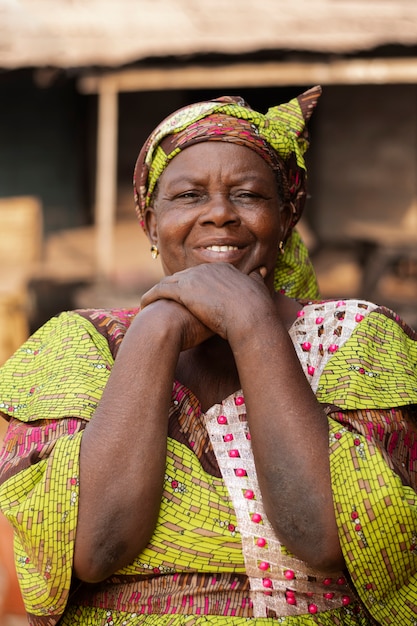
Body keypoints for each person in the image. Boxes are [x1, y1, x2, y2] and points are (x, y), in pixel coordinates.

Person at [0, 86, 416, 626]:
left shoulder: (357, 343)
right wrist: (156, 329)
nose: (219, 214)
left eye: (248, 195)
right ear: (149, 222)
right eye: (189, 196)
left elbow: (322, 536)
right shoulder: (78, 351)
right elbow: (97, 549)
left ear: (289, 216)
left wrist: (251, 323)